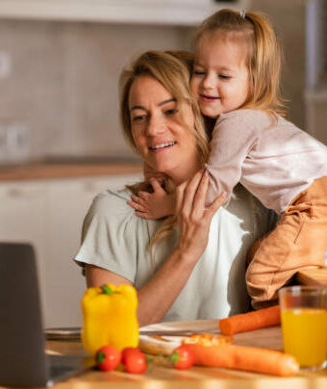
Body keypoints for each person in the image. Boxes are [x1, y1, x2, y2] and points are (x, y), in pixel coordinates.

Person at [127, 9, 327, 309]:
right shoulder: (254, 119)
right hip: (312, 201)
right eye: (199, 71)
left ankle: (268, 337)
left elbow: (214, 187)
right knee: (260, 251)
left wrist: (168, 204)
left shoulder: (236, 123)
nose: (208, 84)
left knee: (261, 279)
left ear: (254, 81)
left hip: (314, 204)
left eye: (223, 76)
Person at [74, 50, 276, 326]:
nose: (153, 129)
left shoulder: (255, 202)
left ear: (203, 113)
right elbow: (110, 330)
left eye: (170, 111)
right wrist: (186, 252)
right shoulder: (112, 212)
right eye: (139, 117)